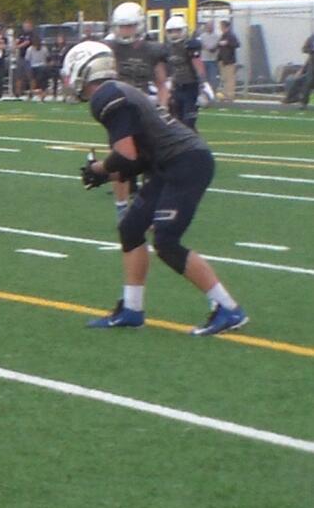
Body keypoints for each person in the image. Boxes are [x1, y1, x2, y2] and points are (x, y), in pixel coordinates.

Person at [62, 40, 248, 336]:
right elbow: (134, 160)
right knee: (131, 229)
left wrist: (99, 169)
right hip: (168, 164)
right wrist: (105, 176)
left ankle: (228, 308)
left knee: (166, 241)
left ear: (83, 69)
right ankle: (132, 310)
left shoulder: (107, 97)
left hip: (185, 162)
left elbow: (126, 156)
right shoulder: (119, 91)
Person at [108, 2, 168, 219]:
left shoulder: (152, 50)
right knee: (121, 161)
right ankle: (122, 208)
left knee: (152, 163)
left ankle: (148, 208)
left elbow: (162, 84)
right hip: (119, 110)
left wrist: (162, 109)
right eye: (122, 27)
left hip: (145, 109)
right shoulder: (110, 49)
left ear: (140, 25)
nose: (125, 31)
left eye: (130, 26)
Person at [163, 16, 207, 130]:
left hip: (190, 86)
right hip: (177, 87)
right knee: (176, 121)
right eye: (171, 31)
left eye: (177, 31)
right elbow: (169, 69)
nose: (174, 34)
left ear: (184, 30)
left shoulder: (190, 46)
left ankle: (195, 146)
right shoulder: (168, 48)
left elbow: (198, 65)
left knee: (189, 121)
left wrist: (203, 85)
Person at [217, 19, 240, 101]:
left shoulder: (231, 35)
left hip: (229, 61)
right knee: (224, 79)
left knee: (230, 79)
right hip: (223, 61)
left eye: (221, 26)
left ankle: (230, 96)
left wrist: (227, 43)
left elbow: (237, 44)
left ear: (225, 26)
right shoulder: (223, 35)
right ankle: (224, 95)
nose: (220, 28)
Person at [198, 21, 220, 92]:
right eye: (208, 26)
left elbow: (217, 45)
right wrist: (206, 47)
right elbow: (200, 46)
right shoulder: (202, 36)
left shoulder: (217, 36)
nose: (210, 28)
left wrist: (213, 48)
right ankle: (203, 92)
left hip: (213, 60)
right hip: (203, 60)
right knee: (203, 78)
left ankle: (212, 92)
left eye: (211, 26)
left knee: (213, 77)